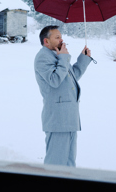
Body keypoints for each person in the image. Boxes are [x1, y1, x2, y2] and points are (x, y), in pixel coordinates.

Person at [34, 25, 93, 167]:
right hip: (58, 119)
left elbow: (71, 77)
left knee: (69, 162)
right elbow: (55, 80)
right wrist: (64, 57)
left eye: (61, 36)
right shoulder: (43, 58)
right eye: (57, 37)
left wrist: (83, 59)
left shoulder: (57, 55)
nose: (62, 40)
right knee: (55, 163)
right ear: (46, 41)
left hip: (69, 118)